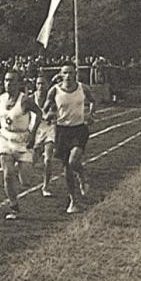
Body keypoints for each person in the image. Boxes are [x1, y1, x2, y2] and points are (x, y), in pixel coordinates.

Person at [0, 70, 42, 220]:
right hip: (5, 139)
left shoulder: (25, 100)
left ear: (18, 83)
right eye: (6, 80)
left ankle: (34, 155)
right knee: (8, 175)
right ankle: (14, 206)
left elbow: (39, 113)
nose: (8, 84)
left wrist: (32, 132)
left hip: (23, 139)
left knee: (26, 181)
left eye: (12, 81)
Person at [43, 61, 95, 214]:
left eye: (71, 73)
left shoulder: (82, 88)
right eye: (65, 73)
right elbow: (45, 109)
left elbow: (92, 101)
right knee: (67, 168)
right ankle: (73, 200)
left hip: (79, 129)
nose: (68, 76)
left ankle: (82, 176)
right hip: (62, 131)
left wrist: (91, 115)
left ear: (75, 74)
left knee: (73, 161)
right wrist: (48, 115)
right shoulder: (54, 90)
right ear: (60, 74)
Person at [31, 74, 57, 197]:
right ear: (35, 85)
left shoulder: (51, 98)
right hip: (36, 130)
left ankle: (46, 186)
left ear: (46, 86)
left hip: (49, 129)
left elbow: (54, 112)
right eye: (38, 83)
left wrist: (49, 115)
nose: (41, 86)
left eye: (43, 83)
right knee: (32, 159)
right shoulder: (31, 98)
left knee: (48, 159)